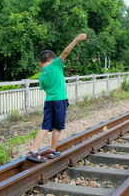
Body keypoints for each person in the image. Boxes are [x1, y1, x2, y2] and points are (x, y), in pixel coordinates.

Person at [26, 33, 87, 163]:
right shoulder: (55, 65)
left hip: (49, 102)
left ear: (40, 62)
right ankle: (52, 150)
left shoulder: (42, 75)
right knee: (57, 126)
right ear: (51, 59)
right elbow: (66, 52)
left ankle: (33, 150)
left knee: (45, 126)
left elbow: (45, 88)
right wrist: (76, 39)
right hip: (60, 100)